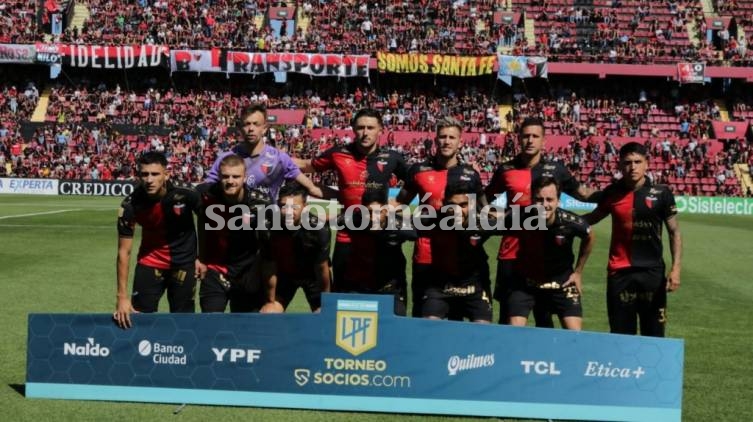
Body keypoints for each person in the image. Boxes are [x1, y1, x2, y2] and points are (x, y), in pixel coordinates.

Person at [485, 116, 599, 325]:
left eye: (535, 136)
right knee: (508, 317)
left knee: (544, 318)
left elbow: (583, 194)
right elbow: (486, 201)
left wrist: (615, 192)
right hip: (511, 252)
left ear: (543, 140)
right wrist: (496, 216)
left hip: (546, 254)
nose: (530, 140)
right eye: (526, 136)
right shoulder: (506, 169)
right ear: (519, 139)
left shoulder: (556, 170)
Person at [295, 108, 408, 292]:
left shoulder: (393, 158)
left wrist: (394, 205)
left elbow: (414, 182)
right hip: (347, 235)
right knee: (343, 294)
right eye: (360, 127)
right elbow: (306, 166)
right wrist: (278, 157)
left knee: (381, 293)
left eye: (370, 128)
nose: (365, 132)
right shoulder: (337, 154)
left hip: (379, 236)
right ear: (353, 129)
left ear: (380, 130)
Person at [584, 142, 682, 337]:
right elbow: (592, 218)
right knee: (621, 335)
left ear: (647, 164)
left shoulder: (662, 193)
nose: (633, 167)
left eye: (638, 162)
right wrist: (557, 220)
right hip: (620, 273)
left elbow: (674, 232)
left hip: (652, 273)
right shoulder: (612, 193)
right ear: (620, 165)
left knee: (654, 335)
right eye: (628, 162)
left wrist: (676, 269)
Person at [396, 116, 486, 317]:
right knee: (422, 316)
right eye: (443, 137)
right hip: (426, 255)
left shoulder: (471, 174)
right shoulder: (418, 170)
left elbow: (483, 211)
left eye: (451, 137)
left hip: (460, 256)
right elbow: (399, 203)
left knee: (456, 318)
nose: (446, 141)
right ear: (436, 139)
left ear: (460, 142)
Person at [114, 152, 200, 329]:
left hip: (184, 264)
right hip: (150, 263)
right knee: (138, 321)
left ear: (166, 174)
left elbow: (209, 222)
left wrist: (203, 257)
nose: (149, 180)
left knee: (184, 325)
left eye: (155, 174)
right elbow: (124, 251)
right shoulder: (130, 205)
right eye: (145, 174)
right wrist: (122, 297)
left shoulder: (186, 193)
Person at [507, 177, 595, 330]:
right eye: (539, 200)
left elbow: (590, 235)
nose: (544, 205)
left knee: (575, 336)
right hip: (527, 283)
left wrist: (578, 272)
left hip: (562, 282)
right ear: (532, 200)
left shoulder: (570, 222)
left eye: (549, 199)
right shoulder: (519, 217)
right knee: (514, 331)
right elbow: (489, 223)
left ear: (558, 201)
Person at [196, 154, 276, 313]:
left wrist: (259, 274)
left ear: (245, 177)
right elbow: (200, 224)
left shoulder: (260, 203)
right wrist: (201, 258)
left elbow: (268, 245)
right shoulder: (205, 195)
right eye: (225, 176)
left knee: (243, 325)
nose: (230, 181)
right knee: (210, 322)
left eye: (236, 176)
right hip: (215, 270)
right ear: (219, 177)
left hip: (247, 274)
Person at [205, 104, 322, 200]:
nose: (251, 129)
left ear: (264, 128)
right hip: (234, 219)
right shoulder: (225, 159)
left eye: (256, 124)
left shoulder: (279, 159)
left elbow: (312, 188)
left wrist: (335, 195)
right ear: (240, 128)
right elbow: (206, 190)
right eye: (247, 124)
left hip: (266, 220)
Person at [421, 182, 494, 323]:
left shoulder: (483, 224)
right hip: (440, 286)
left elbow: (517, 222)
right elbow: (398, 226)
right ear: (444, 204)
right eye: (452, 205)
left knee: (483, 330)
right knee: (429, 325)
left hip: (474, 287)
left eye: (463, 205)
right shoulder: (431, 221)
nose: (457, 211)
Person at [338, 189, 416, 316]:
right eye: (368, 212)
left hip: (390, 289)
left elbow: (424, 232)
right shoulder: (352, 220)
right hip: (359, 288)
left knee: (396, 324)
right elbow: (324, 220)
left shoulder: (401, 226)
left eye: (378, 212)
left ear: (386, 210)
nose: (373, 218)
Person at [258, 181, 332, 312]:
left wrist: (326, 302)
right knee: (268, 312)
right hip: (284, 275)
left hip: (312, 276)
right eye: (283, 206)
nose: (288, 212)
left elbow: (322, 268)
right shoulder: (268, 227)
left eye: (294, 207)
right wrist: (270, 301)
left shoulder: (319, 229)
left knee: (324, 314)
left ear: (305, 207)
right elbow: (269, 266)